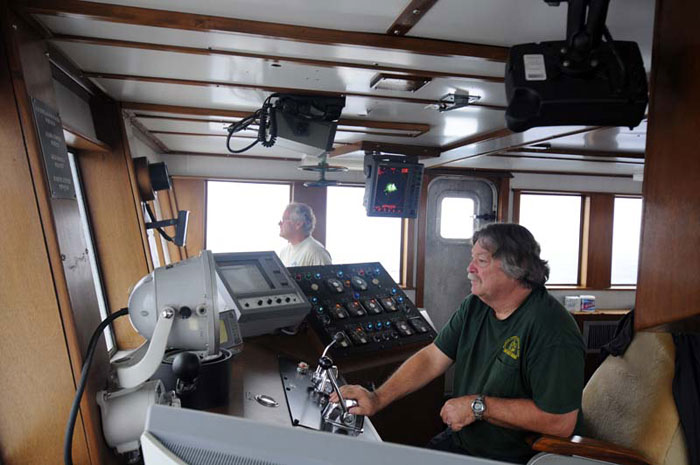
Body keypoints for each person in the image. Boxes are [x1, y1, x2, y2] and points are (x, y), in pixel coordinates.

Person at [334, 223, 585, 464]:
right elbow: (433, 357)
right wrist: (377, 398)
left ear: (516, 268)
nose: (469, 268)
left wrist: (479, 406)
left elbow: (560, 423)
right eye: (472, 258)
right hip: (464, 442)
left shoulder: (552, 330)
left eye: (481, 261)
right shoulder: (475, 306)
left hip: (513, 457)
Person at [278, 202, 332, 267]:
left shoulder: (316, 253)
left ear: (298, 224)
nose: (279, 223)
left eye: (284, 219)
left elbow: (327, 277)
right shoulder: (284, 252)